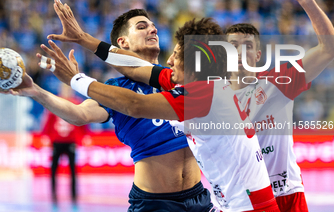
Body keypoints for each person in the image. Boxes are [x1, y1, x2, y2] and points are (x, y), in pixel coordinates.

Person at [39, 17, 280, 212]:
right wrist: (83, 39)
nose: (171, 60)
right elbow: (134, 68)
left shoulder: (199, 93)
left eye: (176, 55)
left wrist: (76, 79)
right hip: (168, 202)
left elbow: (135, 105)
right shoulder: (192, 82)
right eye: (142, 26)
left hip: (240, 205)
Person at [0, 7, 213, 212]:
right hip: (155, 203)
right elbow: (80, 114)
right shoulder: (116, 89)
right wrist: (36, 91)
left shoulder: (175, 78)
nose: (153, 29)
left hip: (199, 198)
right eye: (141, 26)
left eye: (153, 25)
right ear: (123, 42)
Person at [224, 0, 334, 211]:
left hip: (284, 194)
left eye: (247, 46)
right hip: (239, 198)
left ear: (258, 54)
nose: (240, 51)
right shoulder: (210, 94)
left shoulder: (279, 80)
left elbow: (329, 48)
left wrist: (305, 1)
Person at [40, 83, 90, 207]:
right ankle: (54, 197)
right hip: (57, 141)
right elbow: (48, 120)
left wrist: (85, 135)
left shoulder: (77, 102)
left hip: (71, 141)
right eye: (64, 88)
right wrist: (46, 135)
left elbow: (84, 119)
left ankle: (73, 197)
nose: (66, 90)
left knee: (73, 171)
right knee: (53, 170)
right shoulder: (55, 101)